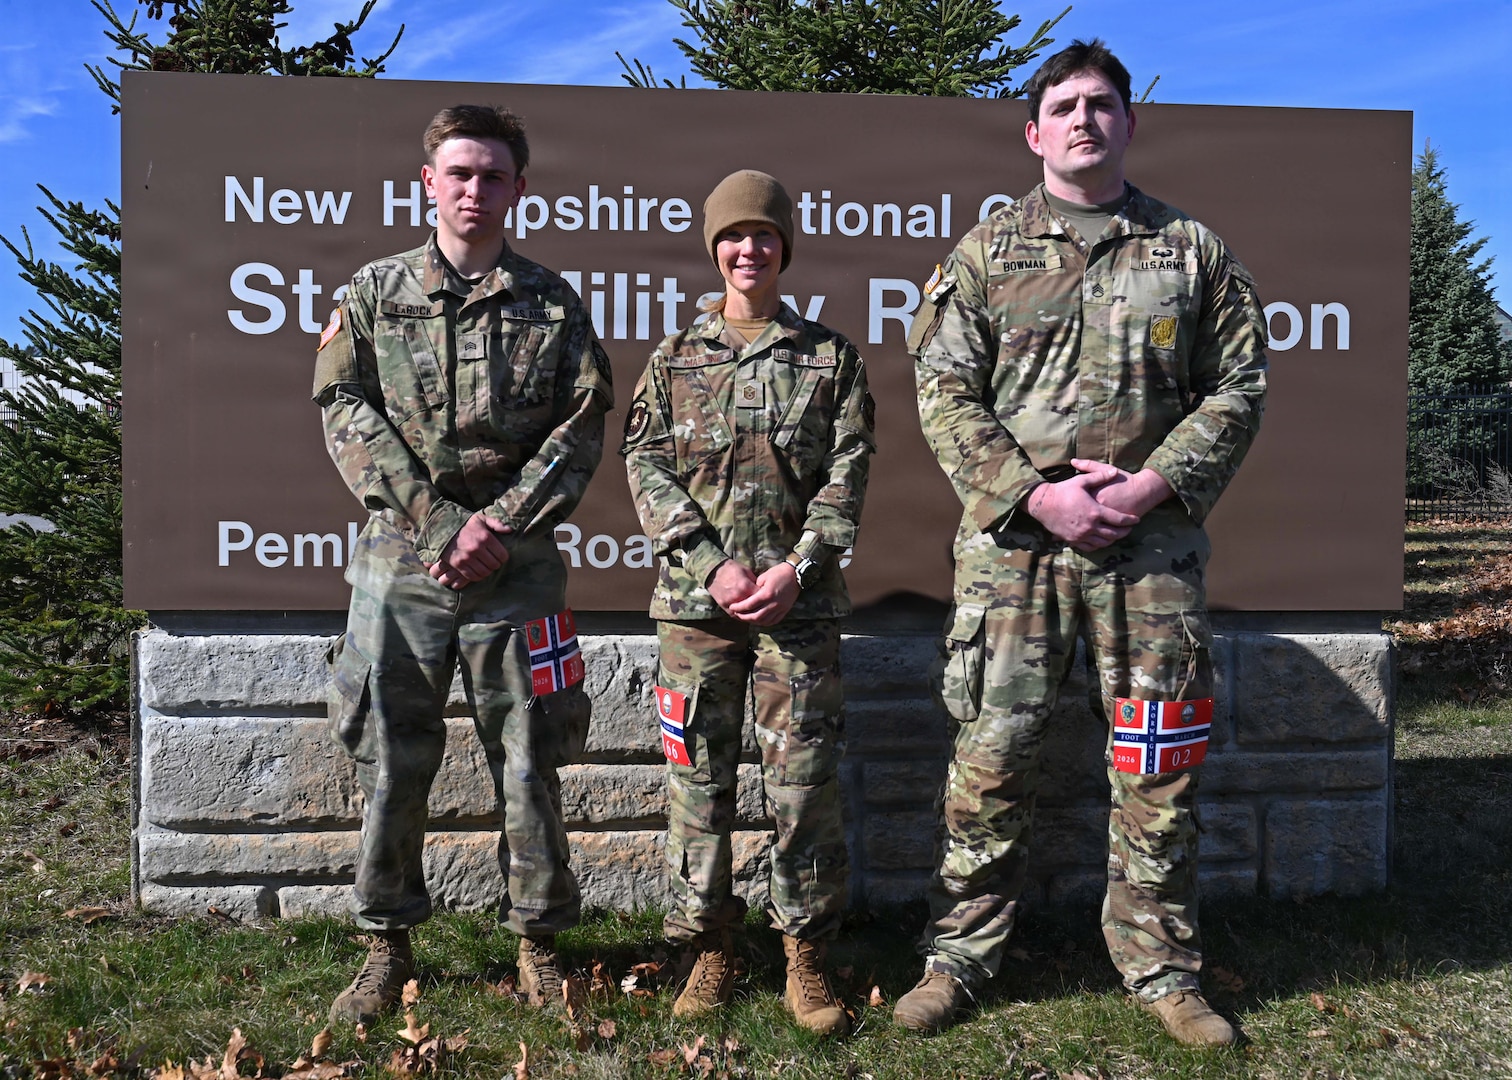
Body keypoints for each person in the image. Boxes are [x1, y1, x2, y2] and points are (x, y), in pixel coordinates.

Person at [896, 40, 1267, 1046]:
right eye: (1063, 105)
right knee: (991, 756)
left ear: (1128, 122)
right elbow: (942, 391)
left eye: (1103, 104)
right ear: (1033, 130)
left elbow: (1238, 386)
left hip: (1150, 560)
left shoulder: (1191, 253)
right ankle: (960, 959)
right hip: (1016, 556)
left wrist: (1151, 485)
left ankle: (1163, 969)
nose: (1084, 119)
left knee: (1156, 765)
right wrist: (1035, 496)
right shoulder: (983, 256)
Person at [313, 104, 613, 1025]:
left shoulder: (554, 304)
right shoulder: (372, 292)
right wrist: (442, 522)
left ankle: (540, 946)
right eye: (460, 173)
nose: (474, 190)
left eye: (493, 175)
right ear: (428, 184)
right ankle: (385, 946)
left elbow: (583, 427)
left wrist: (500, 525)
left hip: (517, 573)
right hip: (401, 568)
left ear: (519, 188)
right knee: (394, 760)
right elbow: (344, 411)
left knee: (531, 758)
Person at [621, 170, 875, 1036]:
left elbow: (848, 475)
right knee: (699, 783)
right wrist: (708, 563)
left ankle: (805, 953)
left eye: (764, 236)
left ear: (784, 249)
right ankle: (710, 948)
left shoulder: (830, 358)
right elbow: (645, 466)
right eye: (733, 237)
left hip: (797, 611)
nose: (748, 250)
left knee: (803, 787)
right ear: (715, 249)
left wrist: (798, 566)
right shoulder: (674, 360)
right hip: (698, 610)